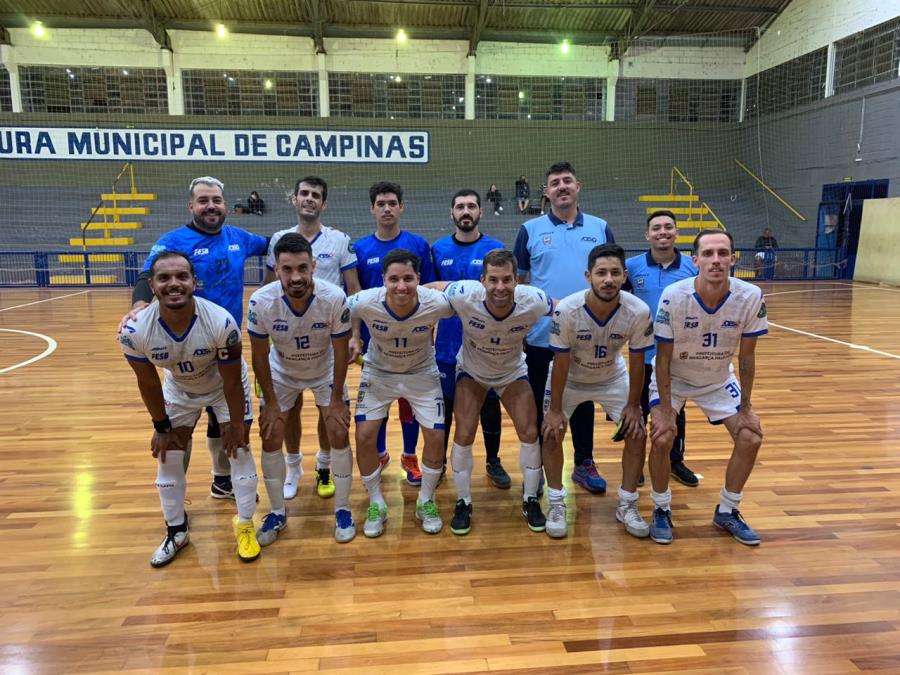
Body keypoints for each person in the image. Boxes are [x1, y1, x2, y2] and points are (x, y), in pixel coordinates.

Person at [122, 176, 268, 502]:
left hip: (224, 343)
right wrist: (139, 304)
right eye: (203, 200)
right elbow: (148, 276)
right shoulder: (174, 240)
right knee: (178, 429)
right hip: (186, 348)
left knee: (223, 420)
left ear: (225, 205)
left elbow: (273, 245)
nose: (211, 206)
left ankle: (222, 481)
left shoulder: (239, 237)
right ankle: (176, 499)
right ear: (191, 206)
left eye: (216, 200)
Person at [120, 251, 260, 566]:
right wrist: (161, 427)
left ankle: (246, 525)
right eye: (164, 278)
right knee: (169, 452)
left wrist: (236, 425)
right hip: (179, 388)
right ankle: (176, 531)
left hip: (224, 387)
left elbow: (233, 383)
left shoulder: (221, 322)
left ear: (194, 282)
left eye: (182, 276)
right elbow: (149, 384)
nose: (174, 284)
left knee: (239, 449)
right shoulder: (134, 331)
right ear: (151, 286)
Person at [648, 229, 767, 546]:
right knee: (661, 436)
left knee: (751, 436)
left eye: (723, 253)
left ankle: (728, 510)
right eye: (709, 254)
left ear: (733, 258)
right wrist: (663, 409)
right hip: (674, 375)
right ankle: (661, 509)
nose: (716, 260)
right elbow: (661, 358)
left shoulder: (750, 296)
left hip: (717, 377)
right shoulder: (674, 295)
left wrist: (747, 407)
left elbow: (748, 356)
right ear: (695, 259)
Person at [432, 249, 553, 535]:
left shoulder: (533, 300)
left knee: (529, 431)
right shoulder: (464, 293)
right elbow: (431, 288)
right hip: (472, 371)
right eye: (494, 280)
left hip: (511, 372)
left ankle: (530, 500)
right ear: (482, 280)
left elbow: (564, 307)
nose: (500, 287)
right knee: (463, 433)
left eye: (507, 280)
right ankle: (463, 501)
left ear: (517, 281)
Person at [514, 161, 615, 494]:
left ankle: (584, 463)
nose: (561, 187)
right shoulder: (530, 230)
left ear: (578, 186)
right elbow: (521, 286)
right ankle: (542, 466)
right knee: (545, 403)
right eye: (555, 183)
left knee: (582, 401)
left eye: (567, 181)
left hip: (589, 336)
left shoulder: (601, 228)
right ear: (547, 192)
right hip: (542, 338)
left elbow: (611, 276)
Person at [542, 244, 653, 539]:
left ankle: (627, 504)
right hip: (569, 379)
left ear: (624, 276)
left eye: (615, 273)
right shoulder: (567, 310)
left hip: (611, 377)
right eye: (601, 273)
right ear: (588, 275)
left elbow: (638, 361)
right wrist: (554, 411)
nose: (608, 279)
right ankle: (555, 503)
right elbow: (561, 363)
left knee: (637, 432)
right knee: (552, 432)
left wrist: (634, 406)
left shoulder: (638, 311)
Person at [250, 234, 355, 544]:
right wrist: (269, 402)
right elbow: (257, 356)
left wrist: (335, 400)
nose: (295, 277)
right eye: (286, 269)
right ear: (277, 269)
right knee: (270, 433)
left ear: (314, 265)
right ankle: (278, 513)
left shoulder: (334, 297)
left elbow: (340, 352)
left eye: (301, 268)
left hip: (324, 369)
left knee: (337, 429)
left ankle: (343, 509)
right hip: (281, 371)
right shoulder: (261, 302)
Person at [263, 176, 361, 502]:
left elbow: (354, 291)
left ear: (324, 203)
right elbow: (267, 290)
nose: (309, 199)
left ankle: (323, 464)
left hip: (328, 337)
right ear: (294, 199)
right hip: (288, 340)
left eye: (315, 195)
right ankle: (293, 465)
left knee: (328, 410)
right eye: (304, 193)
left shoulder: (339, 240)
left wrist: (354, 335)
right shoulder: (279, 238)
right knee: (288, 410)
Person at [347, 249, 455, 537]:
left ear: (419, 278)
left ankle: (426, 501)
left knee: (435, 435)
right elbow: (332, 309)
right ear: (383, 279)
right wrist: (352, 338)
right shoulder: (365, 301)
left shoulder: (437, 304)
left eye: (408, 278)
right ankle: (377, 503)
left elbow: (471, 304)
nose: (401, 286)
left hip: (421, 373)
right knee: (364, 435)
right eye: (393, 279)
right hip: (379, 374)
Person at [353, 181, 436, 486]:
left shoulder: (418, 245)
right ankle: (379, 451)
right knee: (378, 401)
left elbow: (429, 295)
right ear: (372, 208)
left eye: (392, 203)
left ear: (401, 207)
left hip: (415, 341)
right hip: (377, 342)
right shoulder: (360, 248)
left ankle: (410, 454)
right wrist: (355, 336)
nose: (387, 208)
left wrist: (427, 333)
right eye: (381, 203)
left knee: (409, 402)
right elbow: (356, 297)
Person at [431, 189, 509, 490]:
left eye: (472, 206)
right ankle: (437, 463)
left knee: (490, 406)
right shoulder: (437, 249)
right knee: (445, 406)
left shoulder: (495, 249)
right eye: (460, 206)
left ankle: (493, 460)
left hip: (486, 345)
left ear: (480, 212)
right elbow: (428, 294)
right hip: (447, 346)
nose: (466, 211)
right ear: (452, 213)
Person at [625, 210, 700, 487]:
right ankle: (638, 460)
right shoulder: (632, 267)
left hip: (677, 356)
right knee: (641, 409)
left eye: (668, 227)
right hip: (643, 353)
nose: (663, 232)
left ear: (676, 232)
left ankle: (674, 460)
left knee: (675, 410)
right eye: (656, 228)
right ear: (647, 235)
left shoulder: (692, 268)